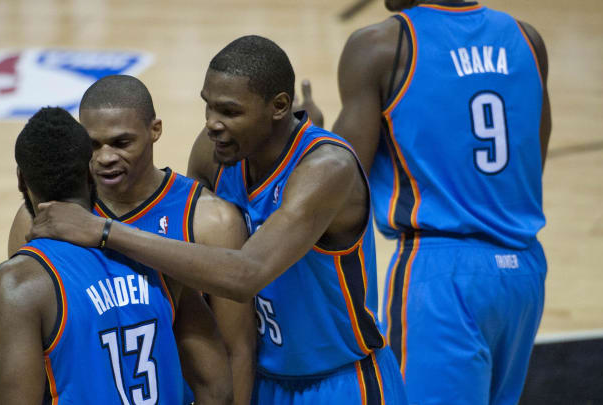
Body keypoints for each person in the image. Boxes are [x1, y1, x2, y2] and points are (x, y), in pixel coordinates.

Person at [27, 35, 407, 404]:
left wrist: (103, 231)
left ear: (278, 107)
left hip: (338, 383)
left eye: (229, 111)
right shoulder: (215, 152)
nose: (211, 123)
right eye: (208, 106)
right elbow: (185, 247)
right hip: (262, 380)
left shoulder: (326, 168)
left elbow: (245, 275)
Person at [307, 1, 551, 403]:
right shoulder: (527, 39)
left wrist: (312, 145)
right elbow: (532, 165)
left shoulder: (382, 46)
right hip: (523, 272)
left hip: (441, 274)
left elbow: (343, 190)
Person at [7, 76, 256, 404]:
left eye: (121, 143)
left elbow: (235, 351)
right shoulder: (42, 218)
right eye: (93, 145)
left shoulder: (209, 220)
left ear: (155, 130)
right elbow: (24, 347)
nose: (105, 157)